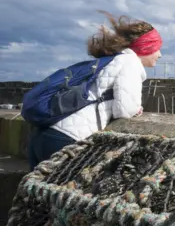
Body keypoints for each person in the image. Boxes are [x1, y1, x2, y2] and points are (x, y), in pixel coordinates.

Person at [26, 11, 163, 170]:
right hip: (67, 138)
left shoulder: (112, 60)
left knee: (38, 192)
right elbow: (125, 110)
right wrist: (136, 109)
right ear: (145, 48)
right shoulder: (129, 63)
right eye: (157, 49)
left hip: (42, 136)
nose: (159, 55)